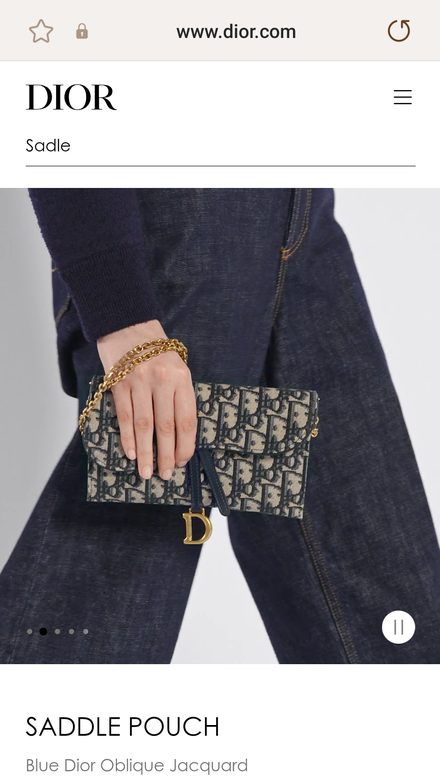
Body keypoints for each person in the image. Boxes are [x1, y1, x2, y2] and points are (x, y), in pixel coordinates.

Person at [0, 187, 439, 664]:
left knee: (385, 594)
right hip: (180, 228)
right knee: (104, 601)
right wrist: (122, 315)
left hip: (301, 216)